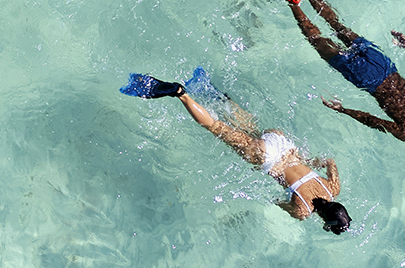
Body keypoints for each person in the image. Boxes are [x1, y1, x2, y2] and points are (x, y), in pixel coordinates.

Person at [122, 72, 351, 233]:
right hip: (268, 159)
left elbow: (329, 160)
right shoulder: (303, 211)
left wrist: (310, 162)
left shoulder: (333, 188)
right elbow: (276, 201)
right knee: (216, 126)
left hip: (283, 144)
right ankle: (180, 92)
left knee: (250, 127)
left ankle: (206, 87)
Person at [276, 0, 405, 152]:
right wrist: (343, 109)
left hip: (385, 65)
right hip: (369, 79)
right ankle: (293, 2)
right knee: (318, 41)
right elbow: (372, 121)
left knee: (338, 26)